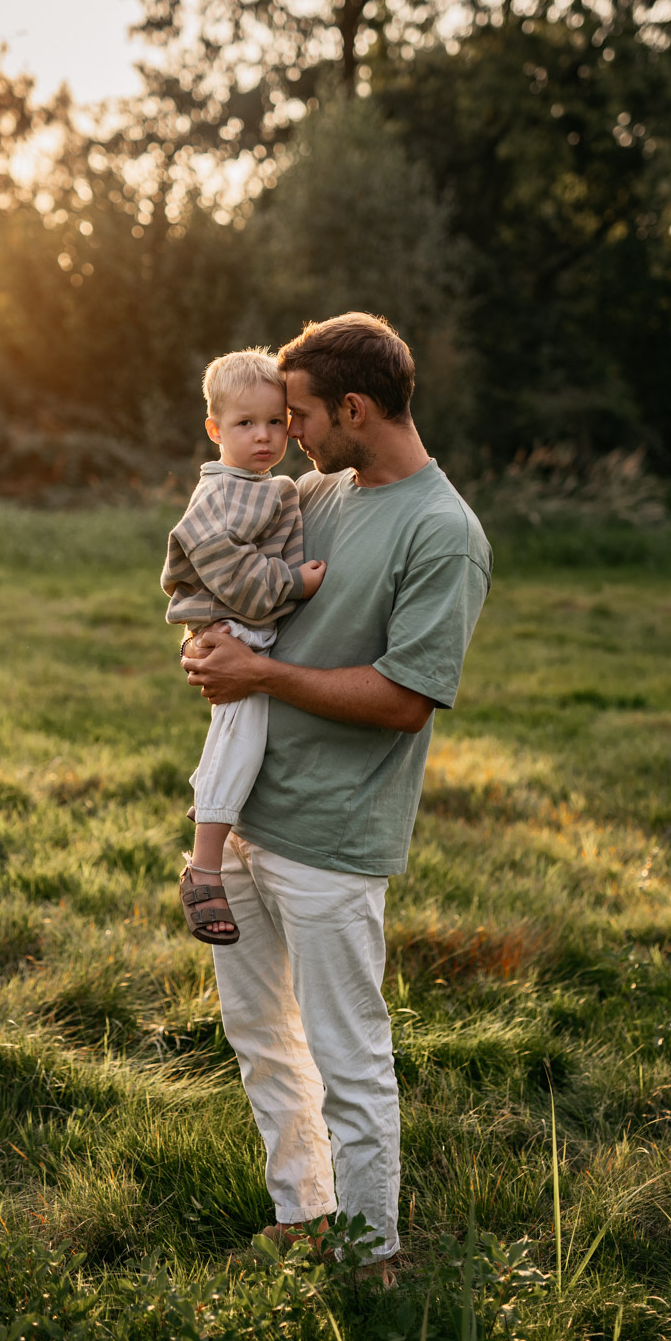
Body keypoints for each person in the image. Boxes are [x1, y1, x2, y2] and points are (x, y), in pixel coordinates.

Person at [181, 312, 492, 1282]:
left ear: (355, 408)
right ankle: (303, 1214)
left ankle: (372, 1257)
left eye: (304, 413)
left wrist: (259, 678)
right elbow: (229, 576)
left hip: (332, 839)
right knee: (263, 1044)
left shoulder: (444, 535)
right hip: (246, 827)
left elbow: (403, 700)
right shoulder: (317, 493)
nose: (290, 432)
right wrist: (205, 645)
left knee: (348, 1059)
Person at [162, 349, 327, 944]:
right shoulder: (221, 496)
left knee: (240, 736)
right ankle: (204, 866)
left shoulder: (261, 487)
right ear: (214, 430)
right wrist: (295, 583)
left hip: (242, 629)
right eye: (245, 424)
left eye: (276, 422)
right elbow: (231, 573)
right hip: (229, 629)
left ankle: (215, 845)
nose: (265, 436)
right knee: (240, 733)